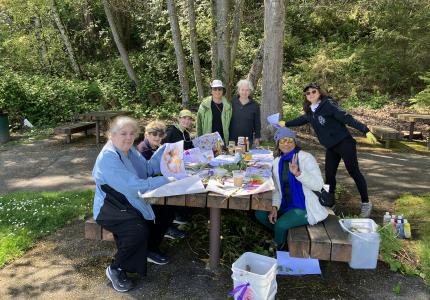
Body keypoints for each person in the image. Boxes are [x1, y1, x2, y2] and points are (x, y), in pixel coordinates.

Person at [92, 116, 175, 292]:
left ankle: (149, 249)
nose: (128, 138)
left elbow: (147, 170)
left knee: (165, 211)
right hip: (110, 206)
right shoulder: (109, 157)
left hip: (128, 200)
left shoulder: (130, 151)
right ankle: (116, 268)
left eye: (131, 134)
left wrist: (164, 150)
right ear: (111, 135)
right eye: (123, 133)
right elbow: (135, 186)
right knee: (137, 231)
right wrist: (167, 180)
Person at [283, 83, 378, 217]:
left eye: (313, 92)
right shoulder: (311, 111)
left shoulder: (328, 105)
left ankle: (366, 203)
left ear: (319, 92)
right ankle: (330, 202)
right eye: (308, 93)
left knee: (354, 171)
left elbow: (346, 117)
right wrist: (285, 123)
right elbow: (301, 120)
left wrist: (365, 130)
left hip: (344, 143)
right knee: (329, 175)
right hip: (331, 147)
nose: (311, 95)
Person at [255, 127, 328, 250]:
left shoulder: (306, 158)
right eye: (282, 141)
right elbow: (277, 190)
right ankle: (282, 234)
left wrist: (299, 174)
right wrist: (275, 207)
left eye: (289, 140)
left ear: (295, 142)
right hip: (286, 203)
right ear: (278, 144)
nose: (286, 144)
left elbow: (318, 185)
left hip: (305, 205)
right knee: (260, 214)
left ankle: (278, 245)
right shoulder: (277, 162)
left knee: (281, 224)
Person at [196, 79, 232, 144]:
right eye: (215, 89)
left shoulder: (228, 106)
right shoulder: (204, 105)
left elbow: (231, 125)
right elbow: (199, 124)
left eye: (219, 89)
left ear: (223, 90)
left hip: (222, 140)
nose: (217, 91)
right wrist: (199, 140)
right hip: (207, 140)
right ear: (211, 91)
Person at [229, 79, 261, 147]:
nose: (244, 92)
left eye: (247, 90)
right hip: (232, 139)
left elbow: (257, 123)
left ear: (250, 91)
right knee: (231, 157)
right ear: (238, 90)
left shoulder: (255, 105)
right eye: (242, 90)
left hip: (247, 140)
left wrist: (257, 138)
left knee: (246, 157)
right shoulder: (232, 102)